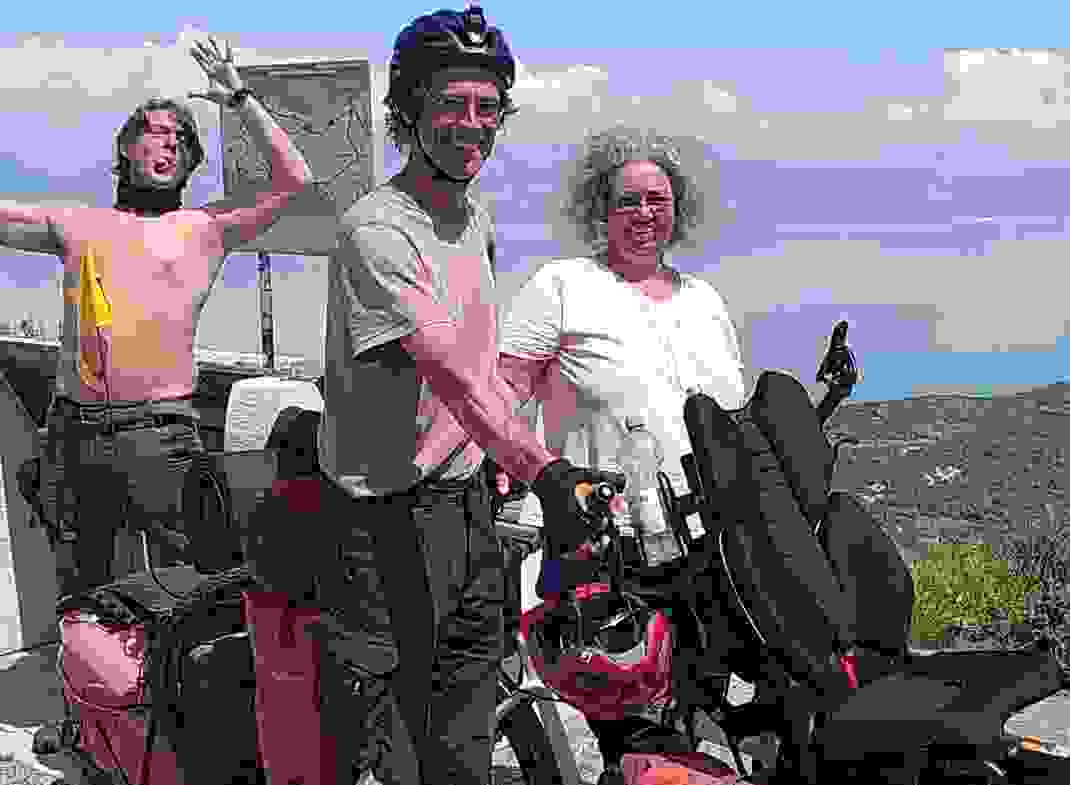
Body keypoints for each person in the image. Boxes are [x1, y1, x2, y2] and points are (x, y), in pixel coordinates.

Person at [316, 6, 623, 784]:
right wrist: (546, 471)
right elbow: (452, 375)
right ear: (409, 110)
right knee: (392, 747)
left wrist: (501, 461)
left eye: (488, 106)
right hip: (384, 522)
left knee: (466, 724)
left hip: (465, 504)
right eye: (451, 103)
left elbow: (483, 361)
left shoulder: (473, 215)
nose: (473, 123)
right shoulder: (376, 231)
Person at [0, 36, 312, 600]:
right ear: (126, 146)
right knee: (82, 597)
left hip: (162, 434)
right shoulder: (75, 224)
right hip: (74, 435)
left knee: (198, 592)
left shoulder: (207, 227)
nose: (171, 143)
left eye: (183, 140)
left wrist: (239, 99)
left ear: (191, 163)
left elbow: (296, 181)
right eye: (158, 132)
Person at [496, 126, 748, 783]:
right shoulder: (562, 285)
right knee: (619, 723)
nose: (643, 213)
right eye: (627, 200)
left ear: (679, 208)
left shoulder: (705, 302)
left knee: (695, 719)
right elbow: (502, 395)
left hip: (705, 549)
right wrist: (505, 469)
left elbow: (731, 420)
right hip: (601, 547)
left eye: (656, 199)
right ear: (598, 209)